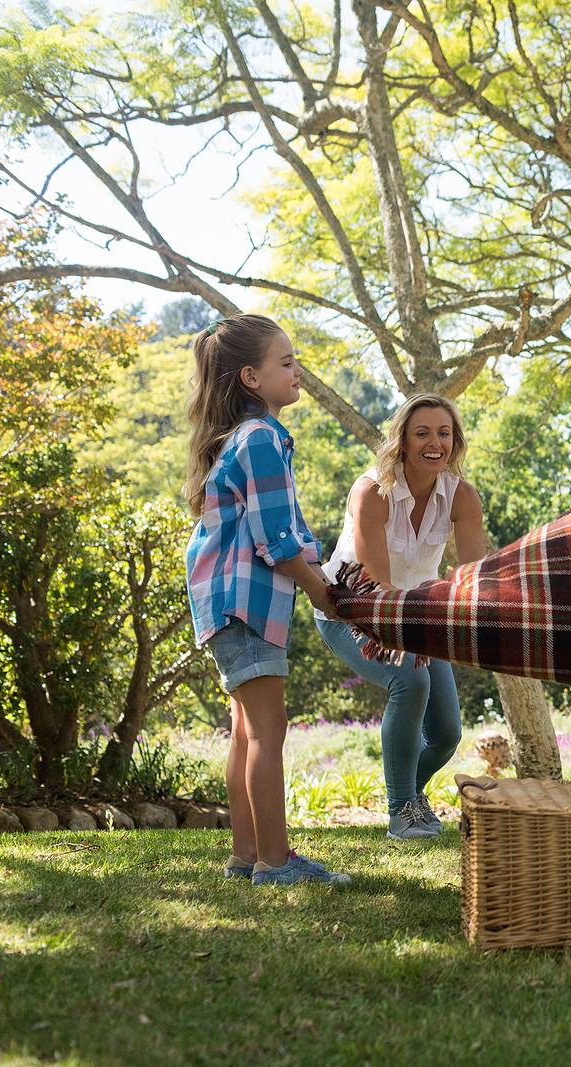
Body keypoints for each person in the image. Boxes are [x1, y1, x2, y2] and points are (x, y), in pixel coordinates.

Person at [184, 314, 350, 887]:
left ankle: (247, 854)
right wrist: (324, 595)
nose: (297, 369)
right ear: (251, 378)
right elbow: (277, 542)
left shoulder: (251, 439)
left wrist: (321, 574)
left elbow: (287, 535)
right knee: (267, 730)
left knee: (246, 731)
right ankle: (276, 864)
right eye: (286, 361)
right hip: (244, 601)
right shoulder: (260, 439)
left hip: (229, 602)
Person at [315, 394, 487, 840]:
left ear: (456, 441)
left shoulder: (462, 497)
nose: (435, 443)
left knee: (447, 733)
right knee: (409, 681)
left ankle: (411, 796)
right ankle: (400, 812)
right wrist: (414, 637)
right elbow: (377, 581)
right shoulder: (372, 491)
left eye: (444, 433)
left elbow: (474, 576)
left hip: (415, 617)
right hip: (352, 610)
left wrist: (466, 620)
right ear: (404, 442)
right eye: (423, 433)